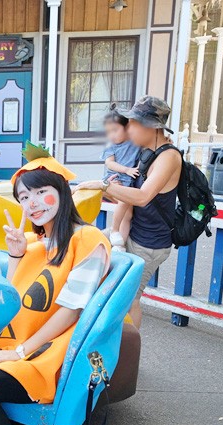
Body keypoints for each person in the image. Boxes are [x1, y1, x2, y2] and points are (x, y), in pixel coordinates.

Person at [0, 147, 111, 425]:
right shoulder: (31, 243)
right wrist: (16, 257)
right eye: (23, 197)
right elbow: (12, 298)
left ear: (61, 192)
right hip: (13, 346)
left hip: (46, 355)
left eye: (40, 192)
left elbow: (71, 310)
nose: (31, 203)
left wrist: (20, 352)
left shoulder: (87, 239)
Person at [74, 96, 182, 329]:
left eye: (133, 123)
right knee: (89, 247)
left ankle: (129, 353)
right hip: (133, 232)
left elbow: (143, 197)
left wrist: (103, 185)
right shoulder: (146, 152)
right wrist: (110, 189)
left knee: (130, 299)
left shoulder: (168, 157)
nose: (129, 128)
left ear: (149, 126)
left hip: (149, 243)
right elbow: (128, 195)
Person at [101, 107, 142, 250]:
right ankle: (114, 230)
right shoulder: (111, 146)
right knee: (124, 202)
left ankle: (120, 244)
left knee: (128, 214)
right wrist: (126, 170)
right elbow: (109, 163)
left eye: (115, 130)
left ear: (127, 128)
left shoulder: (135, 142)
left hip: (128, 182)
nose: (111, 135)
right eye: (108, 131)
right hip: (115, 178)